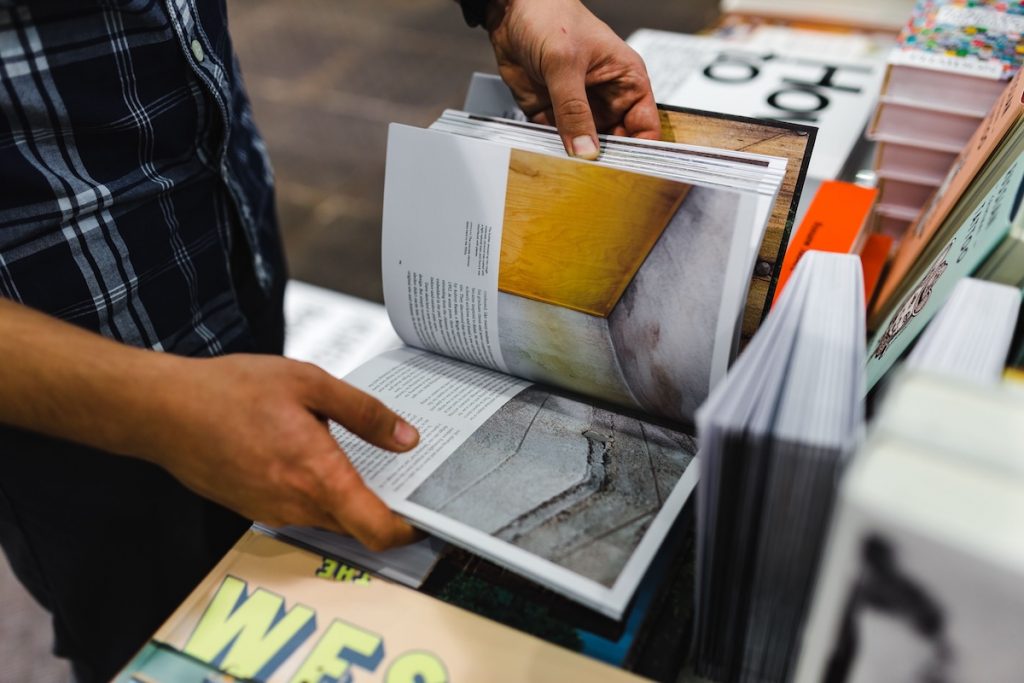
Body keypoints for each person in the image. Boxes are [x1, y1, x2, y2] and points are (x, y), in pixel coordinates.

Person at [0, 0, 658, 679]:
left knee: (276, 568)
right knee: (150, 630)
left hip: (225, 258)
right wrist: (159, 407)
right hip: (72, 403)